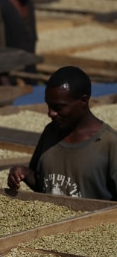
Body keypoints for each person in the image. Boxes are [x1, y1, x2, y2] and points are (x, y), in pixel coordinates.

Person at [8, 66, 117, 200]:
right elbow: (45, 185)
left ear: (83, 101)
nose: (50, 113)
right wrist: (24, 173)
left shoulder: (109, 144)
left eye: (58, 107)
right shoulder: (50, 132)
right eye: (48, 106)